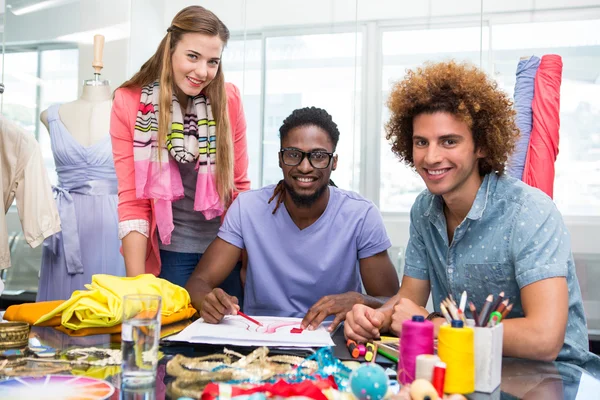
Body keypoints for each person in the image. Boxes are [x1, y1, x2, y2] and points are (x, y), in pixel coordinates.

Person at [345, 61, 594, 364]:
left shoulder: (529, 212)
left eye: (449, 141)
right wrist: (375, 318)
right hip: (468, 364)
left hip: (553, 377)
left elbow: (544, 339)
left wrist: (438, 327)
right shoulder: (424, 210)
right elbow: (410, 300)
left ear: (482, 146)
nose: (432, 157)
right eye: (421, 142)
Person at [185, 107, 399, 332]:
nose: (305, 166)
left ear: (334, 162)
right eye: (293, 154)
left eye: (318, 156)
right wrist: (208, 300)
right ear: (280, 158)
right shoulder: (247, 208)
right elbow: (197, 283)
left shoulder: (361, 215)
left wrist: (359, 300)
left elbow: (393, 303)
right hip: (260, 341)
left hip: (334, 341)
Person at [110, 5, 250, 299]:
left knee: (229, 343)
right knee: (170, 343)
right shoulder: (131, 103)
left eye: (213, 61)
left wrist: (246, 260)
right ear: (170, 48)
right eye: (193, 56)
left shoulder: (229, 99)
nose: (202, 71)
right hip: (169, 255)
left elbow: (239, 189)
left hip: (223, 253)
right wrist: (138, 289)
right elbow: (133, 200)